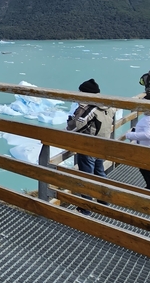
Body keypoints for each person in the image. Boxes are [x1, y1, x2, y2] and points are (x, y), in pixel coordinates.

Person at [66, 78, 116, 214]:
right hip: (103, 144)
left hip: (88, 145)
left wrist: (71, 118)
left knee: (86, 176)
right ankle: (104, 200)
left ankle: (86, 208)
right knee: (99, 172)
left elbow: (73, 127)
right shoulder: (109, 106)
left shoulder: (88, 107)